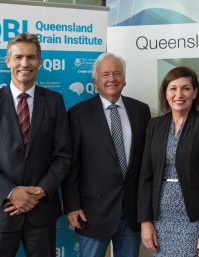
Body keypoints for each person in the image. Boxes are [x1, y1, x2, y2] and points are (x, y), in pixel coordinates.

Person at [0, 33, 71, 257]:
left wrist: (39, 192)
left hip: (41, 212)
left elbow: (62, 156)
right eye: (18, 57)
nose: (24, 63)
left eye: (31, 57)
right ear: (8, 61)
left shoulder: (54, 101)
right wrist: (11, 192)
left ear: (39, 62)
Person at [61, 52, 151, 257]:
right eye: (106, 74)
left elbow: (146, 162)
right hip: (92, 211)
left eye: (117, 73)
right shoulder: (78, 113)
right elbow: (71, 164)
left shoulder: (141, 110)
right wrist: (72, 205)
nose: (112, 79)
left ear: (125, 80)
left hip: (132, 210)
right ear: (95, 82)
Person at [138, 66, 199, 257]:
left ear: (195, 93)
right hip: (160, 218)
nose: (179, 94)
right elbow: (146, 175)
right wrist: (145, 221)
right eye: (173, 88)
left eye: (186, 88)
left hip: (194, 217)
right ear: (165, 93)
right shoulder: (155, 125)